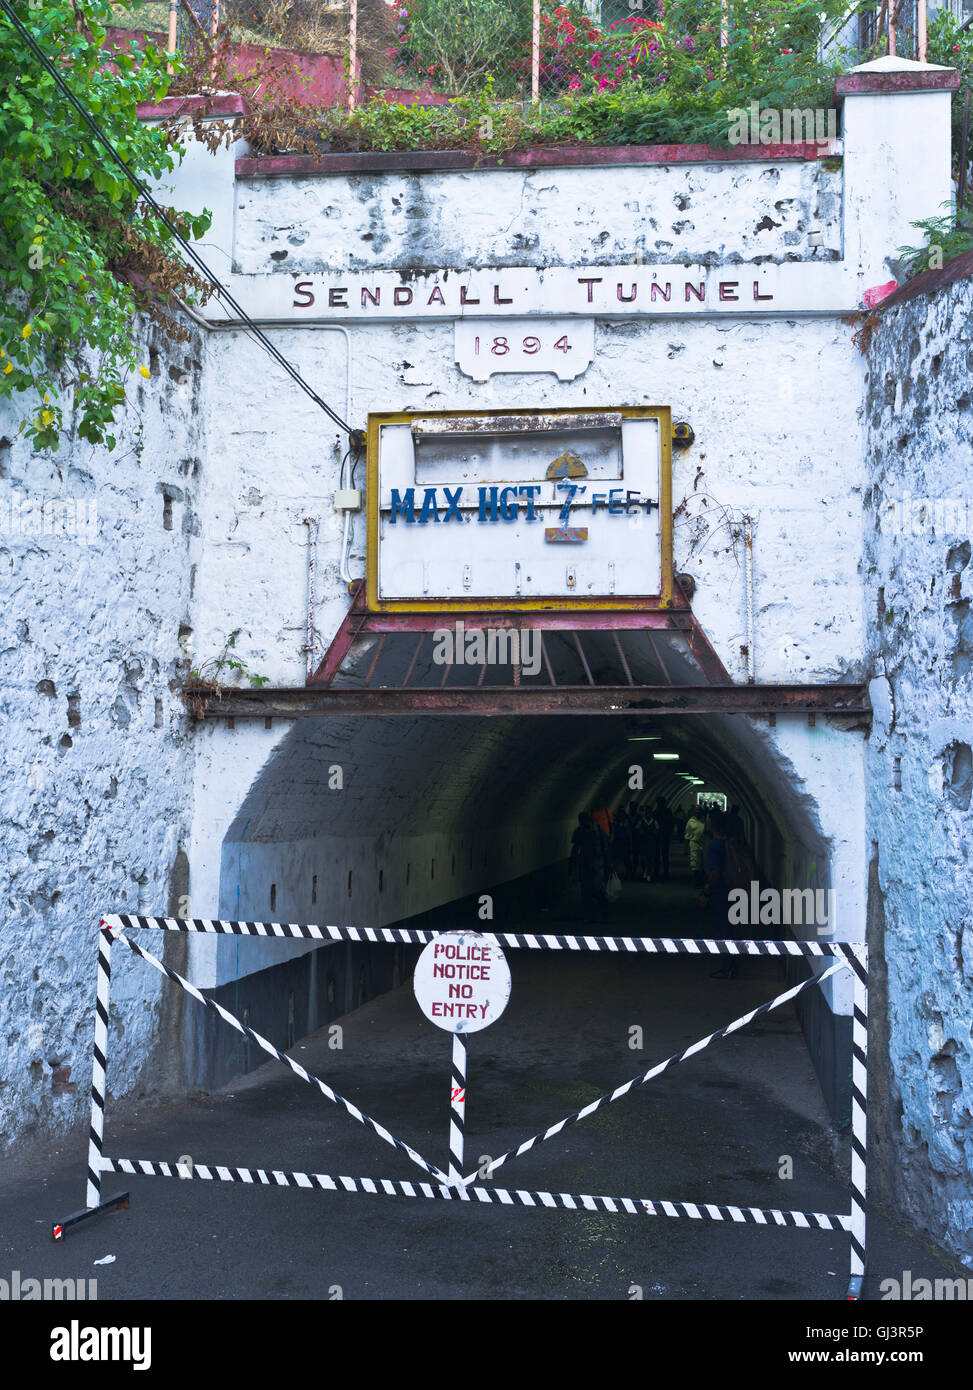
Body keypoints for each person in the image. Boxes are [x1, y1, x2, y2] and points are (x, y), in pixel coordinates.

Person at [700, 810, 736, 977]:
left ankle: (727, 968)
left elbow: (715, 872)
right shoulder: (728, 842)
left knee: (722, 930)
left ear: (712, 825)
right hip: (731, 890)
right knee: (728, 928)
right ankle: (730, 965)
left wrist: (706, 892)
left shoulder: (714, 846)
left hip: (720, 892)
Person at [570, 812, 612, 922]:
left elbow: (605, 846)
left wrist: (608, 862)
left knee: (599, 888)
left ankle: (603, 913)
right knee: (586, 890)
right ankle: (590, 915)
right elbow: (575, 848)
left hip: (597, 863)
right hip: (586, 863)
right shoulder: (580, 831)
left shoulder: (598, 829)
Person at [652, 796, 674, 881]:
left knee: (657, 856)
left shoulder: (655, 812)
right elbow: (671, 824)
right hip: (665, 837)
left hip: (658, 837)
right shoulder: (668, 812)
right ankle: (665, 873)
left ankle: (657, 873)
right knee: (664, 855)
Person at [684, 808, 707, 885]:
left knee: (704, 862)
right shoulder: (691, 822)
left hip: (704, 844)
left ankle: (703, 879)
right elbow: (687, 835)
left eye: (699, 812)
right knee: (694, 861)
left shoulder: (705, 822)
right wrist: (686, 847)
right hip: (694, 843)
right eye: (696, 812)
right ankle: (696, 880)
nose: (697, 813)